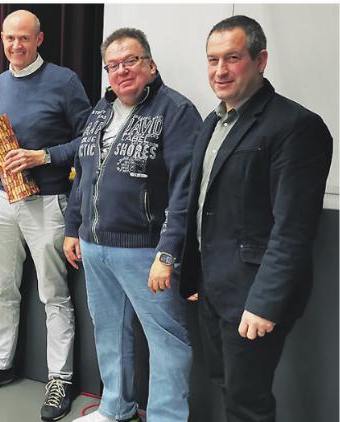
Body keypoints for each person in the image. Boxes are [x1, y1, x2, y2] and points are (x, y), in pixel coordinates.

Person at [179, 15, 333, 422]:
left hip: (253, 297)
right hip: (214, 290)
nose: (220, 70)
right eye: (212, 60)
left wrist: (264, 303)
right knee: (228, 387)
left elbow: (293, 229)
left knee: (248, 403)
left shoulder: (297, 127)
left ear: (261, 60)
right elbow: (201, 205)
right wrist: (196, 276)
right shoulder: (213, 122)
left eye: (233, 58)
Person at [65, 28, 202, 422]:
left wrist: (167, 252)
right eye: (113, 65)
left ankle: (166, 417)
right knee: (109, 334)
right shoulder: (101, 110)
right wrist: (73, 227)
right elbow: (84, 171)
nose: (122, 71)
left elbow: (184, 190)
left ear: (151, 64)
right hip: (94, 246)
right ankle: (116, 409)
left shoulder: (175, 111)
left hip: (145, 251)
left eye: (131, 61)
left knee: (167, 342)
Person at [0, 10, 92, 422]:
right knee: (3, 288)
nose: (16, 46)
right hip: (2, 200)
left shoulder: (65, 80)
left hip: (48, 202)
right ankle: (0, 363)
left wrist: (44, 156)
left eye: (24, 38)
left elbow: (90, 138)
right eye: (9, 38)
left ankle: (60, 378)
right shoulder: (1, 82)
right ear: (2, 39)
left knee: (53, 294)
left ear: (40, 39)